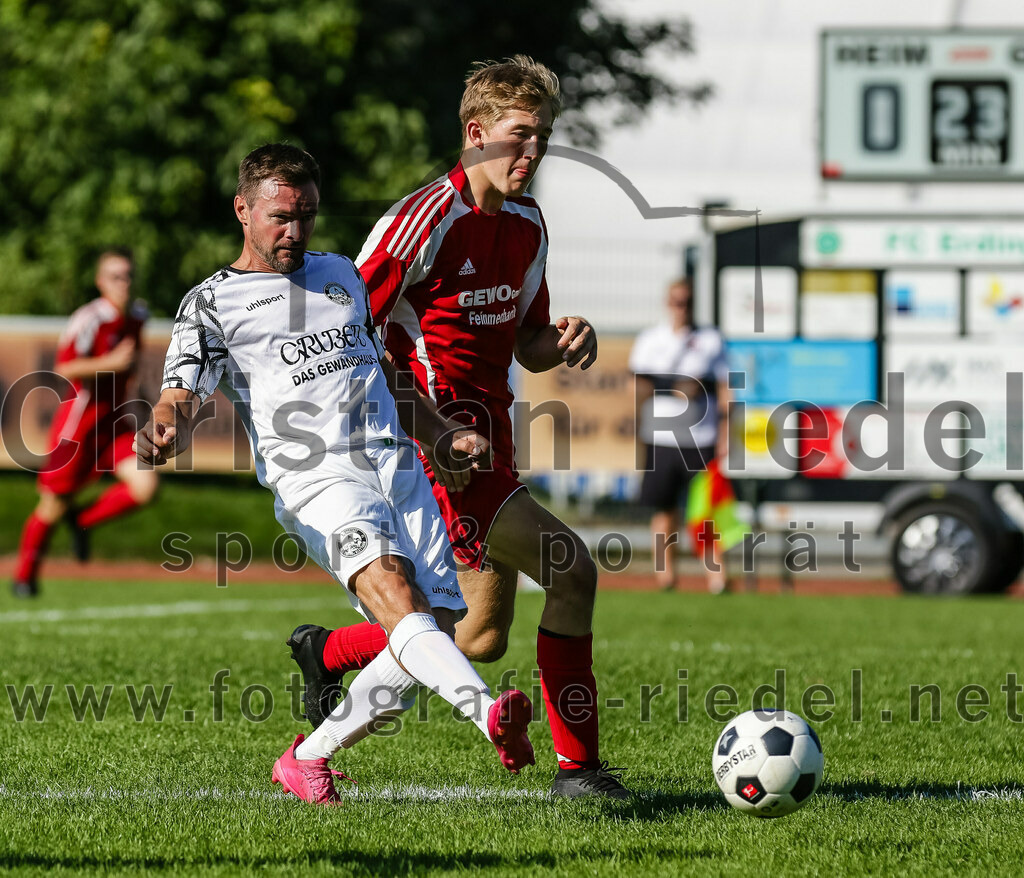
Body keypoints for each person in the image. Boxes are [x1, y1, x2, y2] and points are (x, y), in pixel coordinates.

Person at [134, 143, 534, 805]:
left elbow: (386, 372)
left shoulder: (341, 275)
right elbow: (180, 390)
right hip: (317, 479)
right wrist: (165, 423)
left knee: (429, 628)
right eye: (280, 217)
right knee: (398, 599)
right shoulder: (211, 303)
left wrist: (438, 435)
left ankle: (308, 757)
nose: (294, 232)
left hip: (393, 466)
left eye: (307, 216)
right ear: (243, 210)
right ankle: (488, 714)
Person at [287, 56, 630, 800]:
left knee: (476, 636)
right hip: (432, 451)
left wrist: (567, 340)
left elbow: (530, 344)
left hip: (489, 444)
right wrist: (431, 430)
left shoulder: (529, 225)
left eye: (542, 138)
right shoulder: (423, 219)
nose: (532, 153)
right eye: (520, 136)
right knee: (571, 570)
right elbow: (350, 329)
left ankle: (330, 652)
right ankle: (581, 772)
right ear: (476, 134)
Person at [12, 249, 158, 598]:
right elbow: (64, 369)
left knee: (146, 487)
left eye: (128, 276)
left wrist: (144, 402)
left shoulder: (137, 317)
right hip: (79, 426)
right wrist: (108, 361)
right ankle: (24, 577)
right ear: (99, 282)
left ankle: (82, 522)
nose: (124, 284)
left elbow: (130, 369)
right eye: (115, 277)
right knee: (52, 504)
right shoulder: (89, 318)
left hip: (114, 425)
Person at [629, 278, 731, 593]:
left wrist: (726, 434)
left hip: (701, 437)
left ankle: (717, 578)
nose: (681, 307)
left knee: (706, 511)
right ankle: (666, 576)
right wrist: (678, 387)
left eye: (686, 301)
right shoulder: (650, 339)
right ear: (667, 302)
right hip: (660, 438)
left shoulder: (711, 339)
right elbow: (638, 387)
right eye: (676, 301)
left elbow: (725, 388)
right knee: (663, 510)